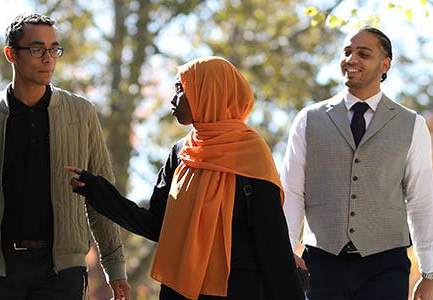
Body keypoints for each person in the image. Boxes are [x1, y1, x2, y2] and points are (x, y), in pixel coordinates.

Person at [65, 56, 304, 300]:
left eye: (181, 89)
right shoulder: (181, 153)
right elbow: (156, 225)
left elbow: (273, 245)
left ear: (208, 93)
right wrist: (96, 190)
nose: (173, 99)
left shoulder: (252, 154)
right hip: (181, 291)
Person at [0, 12, 129, 300]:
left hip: (63, 270)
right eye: (37, 50)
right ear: (11, 54)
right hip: (0, 270)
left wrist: (115, 266)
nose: (48, 59)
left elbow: (102, 194)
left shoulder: (81, 114)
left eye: (54, 50)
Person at [280, 25, 433, 300]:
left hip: (385, 266)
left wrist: (428, 272)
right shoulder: (309, 119)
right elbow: (292, 191)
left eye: (363, 54)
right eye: (347, 52)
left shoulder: (412, 124)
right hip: (320, 263)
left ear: (385, 65)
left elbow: (420, 199)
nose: (351, 59)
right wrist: (285, 251)